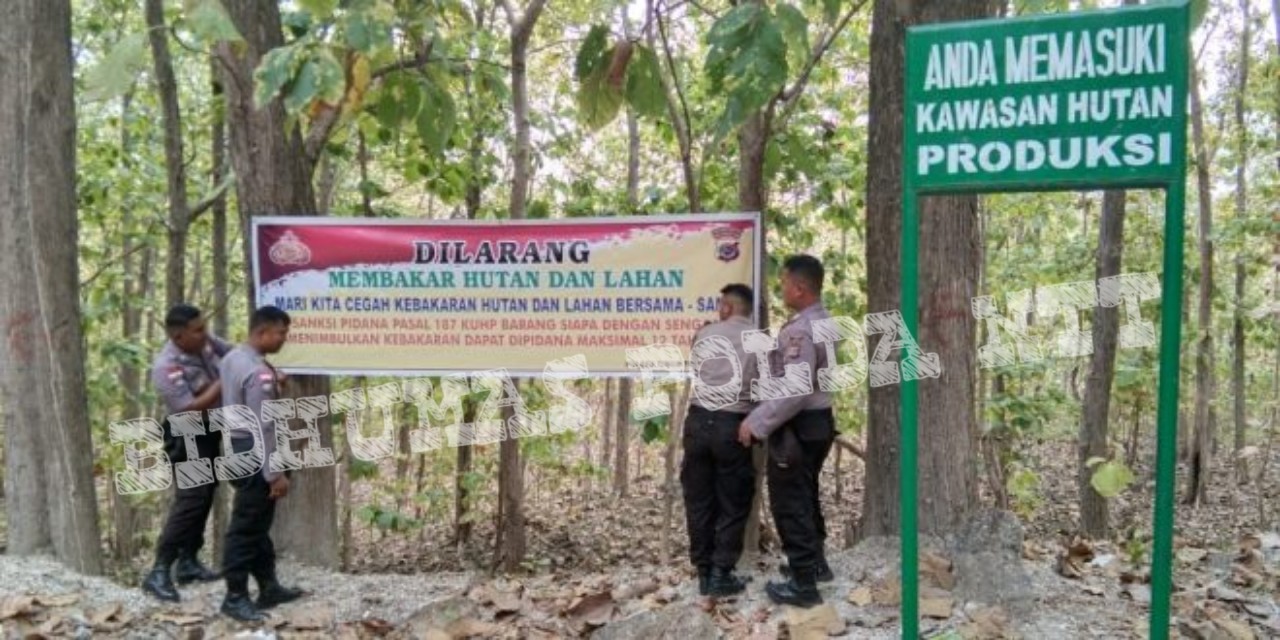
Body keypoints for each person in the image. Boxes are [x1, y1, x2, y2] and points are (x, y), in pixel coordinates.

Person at [738, 254, 835, 607]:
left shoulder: (800, 330)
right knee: (806, 495)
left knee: (790, 502)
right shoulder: (824, 321)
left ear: (800, 287)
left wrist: (756, 422)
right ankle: (816, 565)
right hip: (820, 423)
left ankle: (804, 585)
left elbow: (795, 390)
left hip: (800, 427)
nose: (781, 289)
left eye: (783, 283)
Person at [218, 306, 303, 621]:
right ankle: (235, 596)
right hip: (257, 451)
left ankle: (268, 586)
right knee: (245, 527)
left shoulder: (234, 359)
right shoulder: (259, 372)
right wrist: (274, 473)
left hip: (238, 445)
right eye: (281, 333)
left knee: (257, 524)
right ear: (263, 332)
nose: (284, 339)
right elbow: (263, 425)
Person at [142, 304, 229, 602]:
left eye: (204, 326)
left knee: (205, 495)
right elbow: (189, 407)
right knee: (191, 498)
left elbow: (232, 352)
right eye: (197, 330)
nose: (205, 333)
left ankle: (189, 561)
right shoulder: (165, 367)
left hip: (208, 429)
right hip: (186, 430)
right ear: (179, 336)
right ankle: (159, 569)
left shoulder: (204, 341)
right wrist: (224, 380)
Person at [682, 283, 760, 597]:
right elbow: (763, 384)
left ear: (727, 307)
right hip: (732, 424)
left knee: (699, 500)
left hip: (698, 421)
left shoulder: (704, 334)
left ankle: (703, 571)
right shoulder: (759, 340)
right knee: (734, 501)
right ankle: (720, 574)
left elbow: (695, 368)